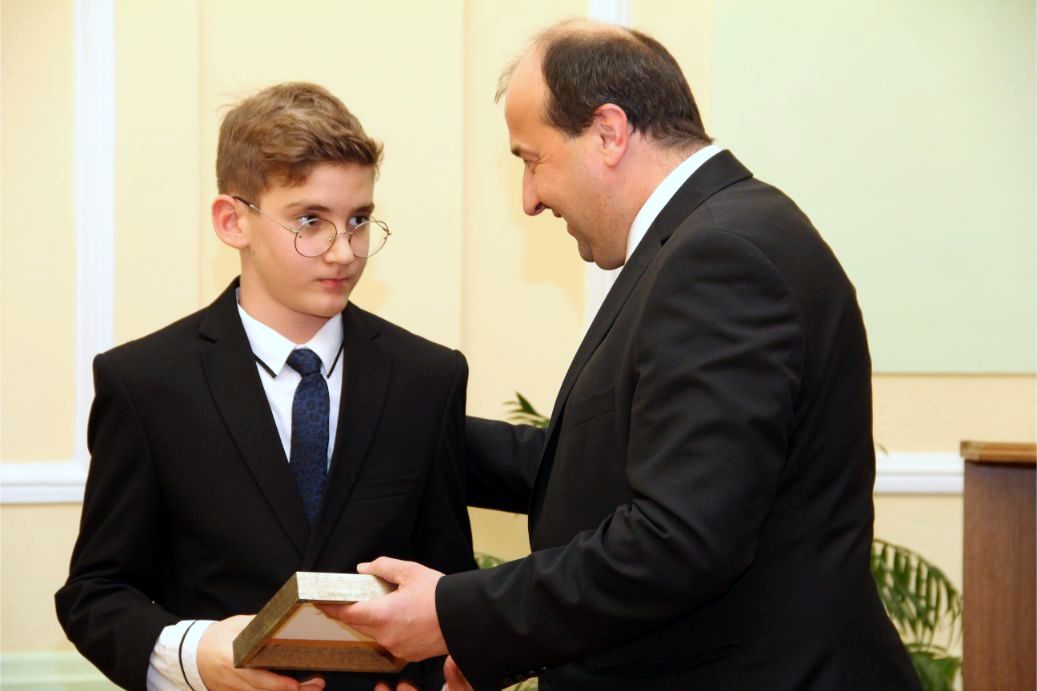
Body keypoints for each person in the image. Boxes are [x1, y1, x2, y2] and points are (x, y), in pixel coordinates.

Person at [320, 20, 922, 691]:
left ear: (608, 132)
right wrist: (403, 432)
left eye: (531, 159)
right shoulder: (715, 234)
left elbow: (680, 539)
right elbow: (607, 465)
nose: (529, 199)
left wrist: (452, 614)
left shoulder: (718, 257)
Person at [55, 82, 476, 691]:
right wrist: (198, 657)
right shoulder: (145, 383)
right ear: (233, 222)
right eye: (311, 221)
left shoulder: (428, 377)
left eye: (359, 221)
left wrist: (431, 679)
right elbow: (95, 595)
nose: (344, 251)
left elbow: (446, 582)